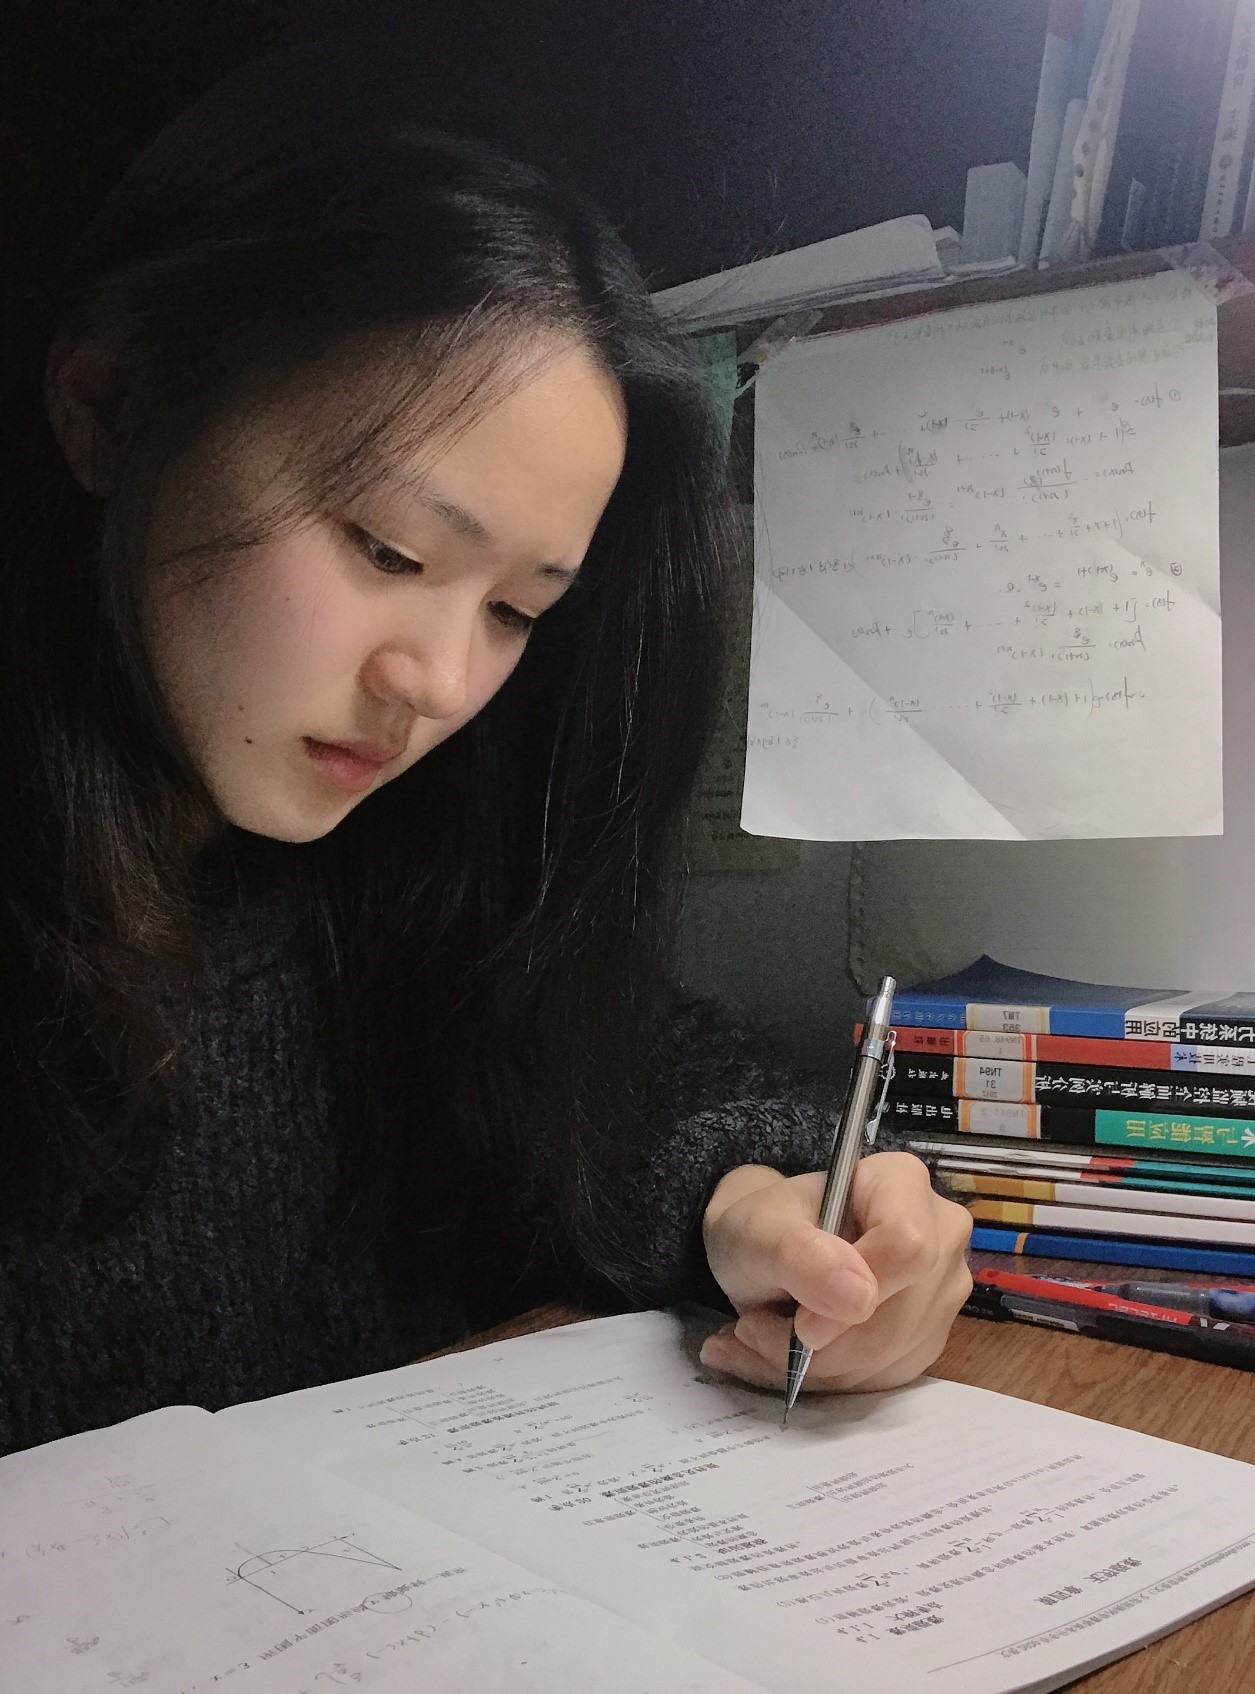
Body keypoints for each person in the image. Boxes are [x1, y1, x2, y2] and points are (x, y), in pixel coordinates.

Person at [0, 41, 971, 1457]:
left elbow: (620, 1072)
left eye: (519, 609)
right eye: (388, 548)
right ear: (110, 406)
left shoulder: (391, 877)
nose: (443, 683)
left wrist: (764, 1196)